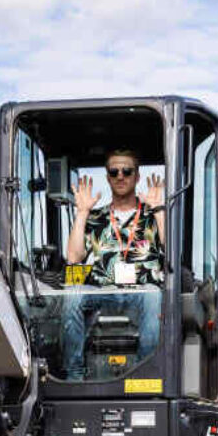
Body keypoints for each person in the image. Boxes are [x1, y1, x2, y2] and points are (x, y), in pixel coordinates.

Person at [61, 149, 166, 378]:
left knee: (153, 295)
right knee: (72, 294)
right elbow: (73, 258)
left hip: (141, 290)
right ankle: (74, 375)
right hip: (103, 290)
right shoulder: (96, 217)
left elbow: (172, 249)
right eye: (114, 171)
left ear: (137, 176)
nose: (121, 176)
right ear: (108, 177)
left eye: (127, 171)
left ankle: (144, 374)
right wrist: (82, 213)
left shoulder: (152, 213)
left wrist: (159, 210)